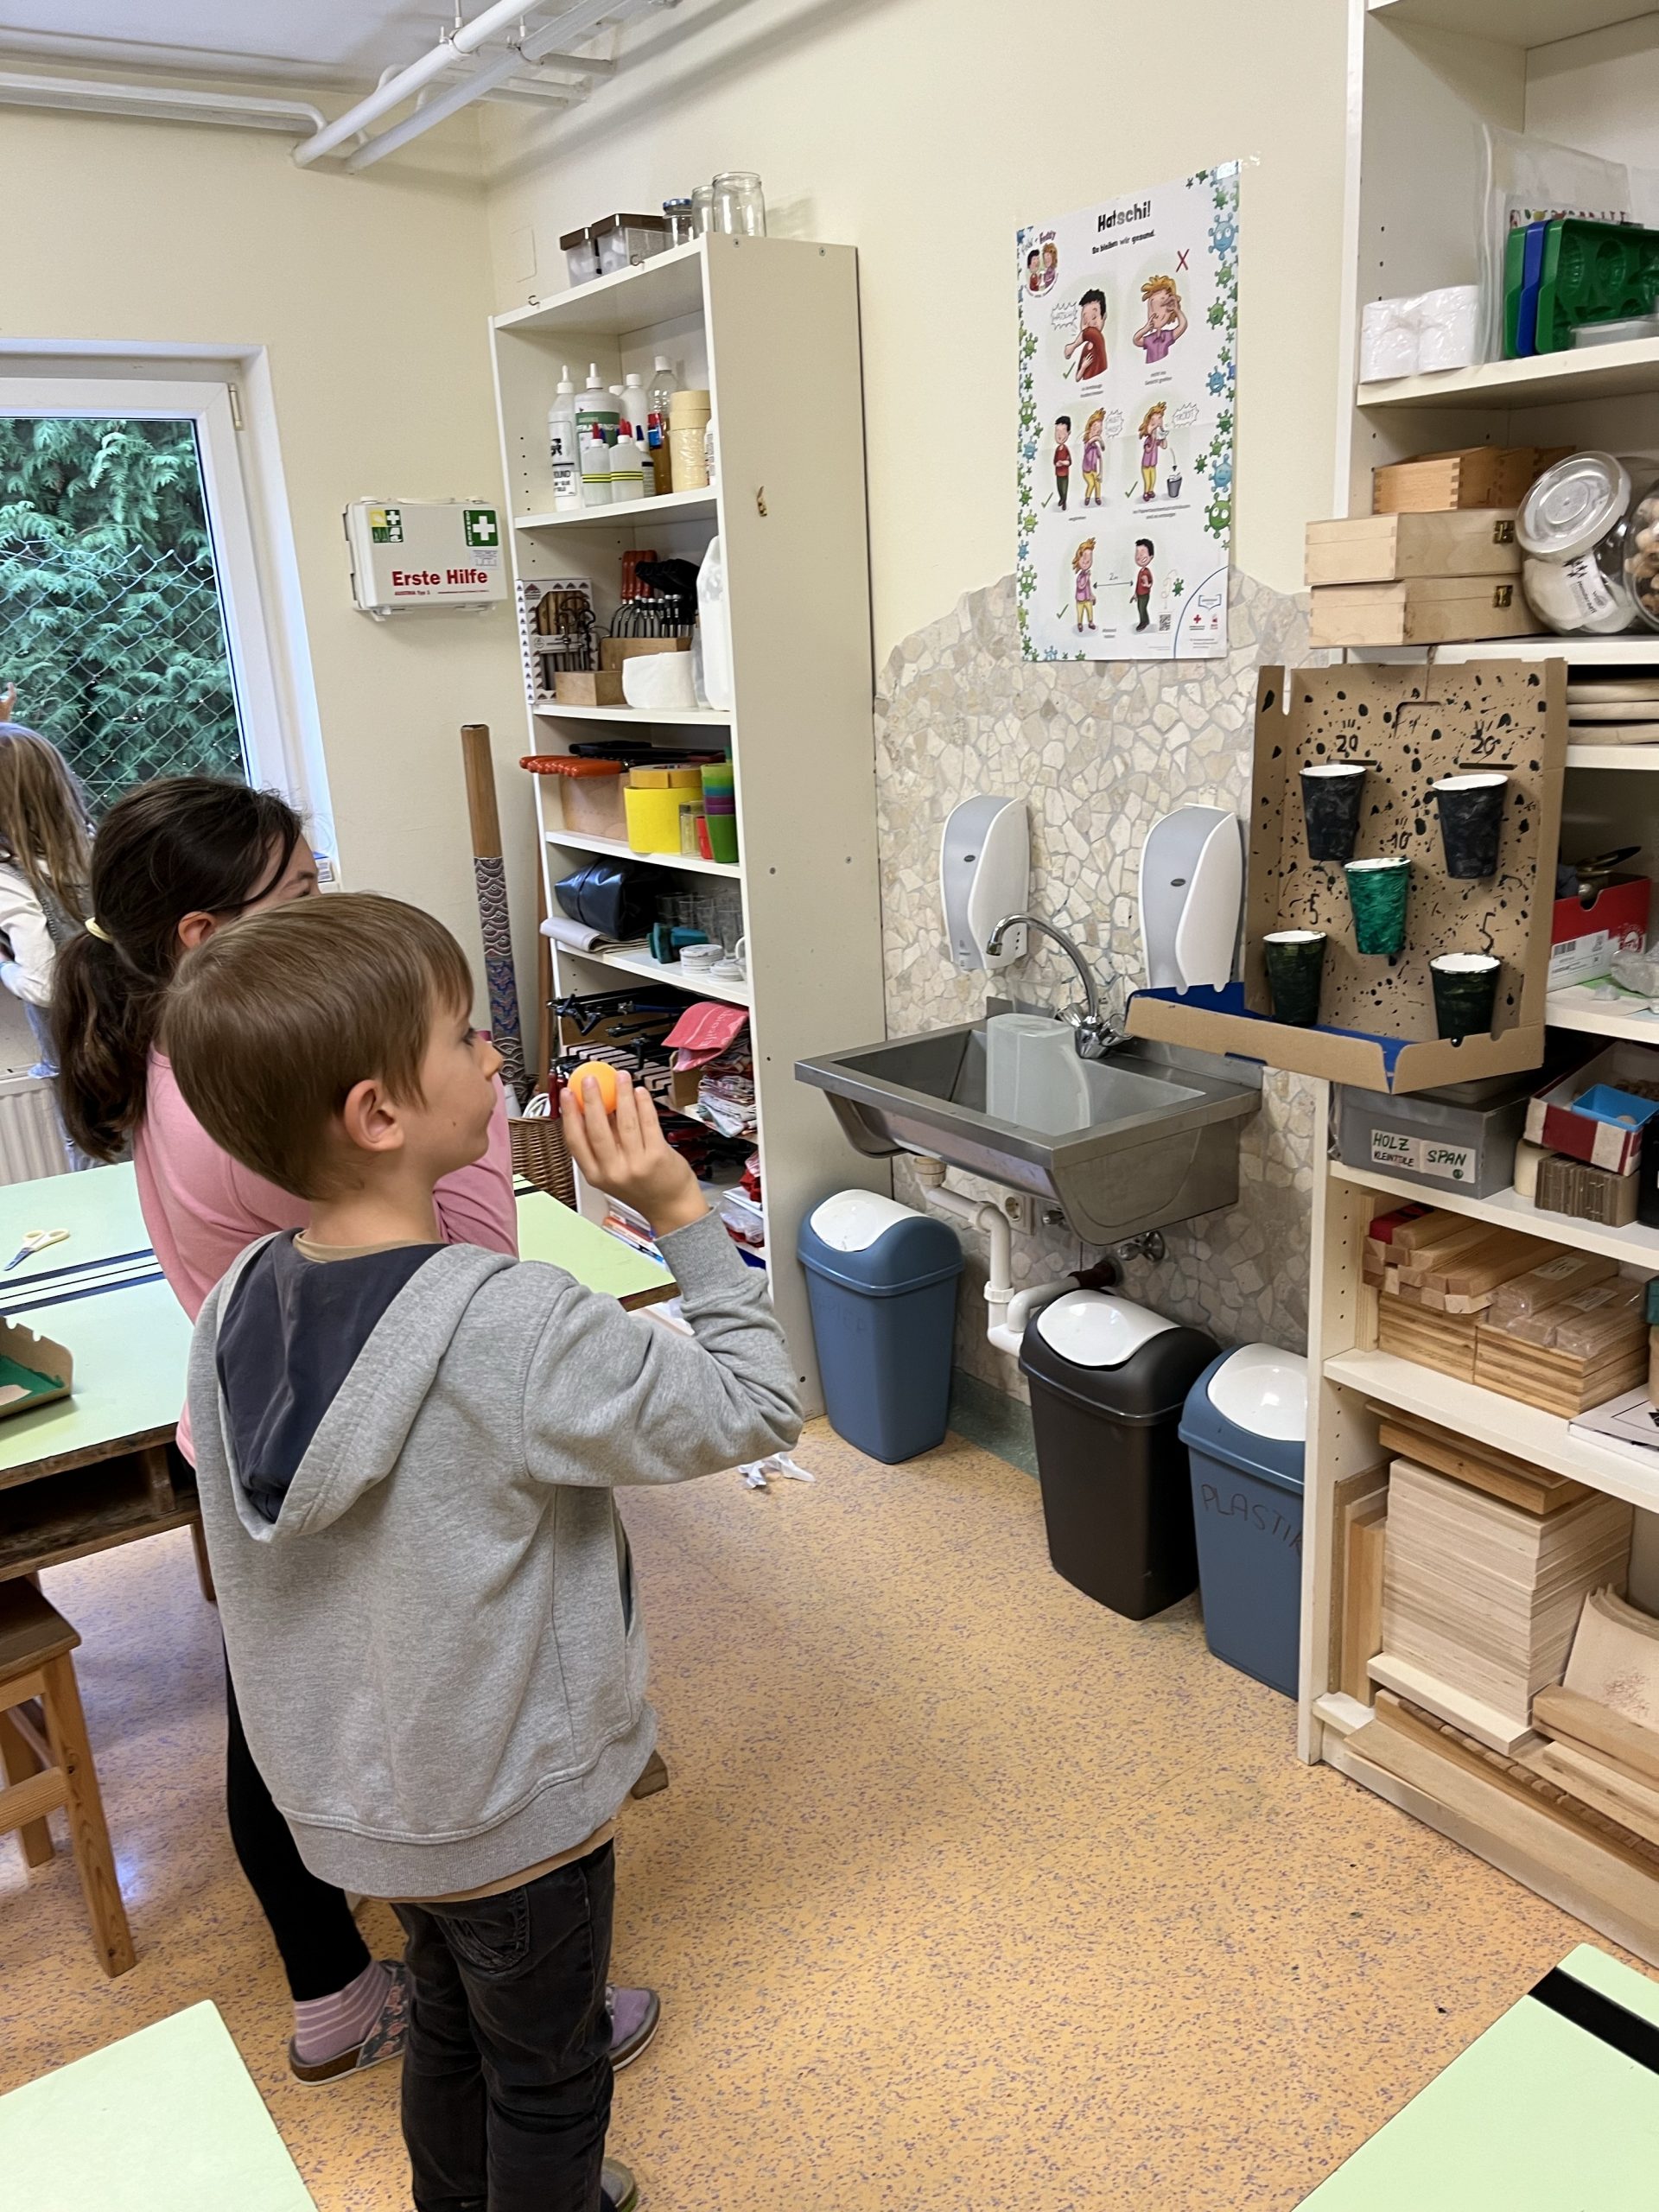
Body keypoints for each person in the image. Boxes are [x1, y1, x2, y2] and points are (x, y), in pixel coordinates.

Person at [164, 893, 802, 2212]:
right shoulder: (512, 1323)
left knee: (450, 2029)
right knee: (550, 2079)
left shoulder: (236, 1300)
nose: (495, 1051)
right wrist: (678, 1208)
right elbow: (758, 1405)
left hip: (371, 1804)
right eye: (462, 1035)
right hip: (513, 1814)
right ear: (378, 1115)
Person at [49, 779, 660, 2085]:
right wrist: (477, 1124)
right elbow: (474, 1264)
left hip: (263, 1416)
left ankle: (358, 1990)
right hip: (380, 1436)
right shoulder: (261, 1107)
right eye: (303, 893)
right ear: (207, 937)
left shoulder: (181, 1052)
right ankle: (509, 1999)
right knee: (437, 1708)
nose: (330, 899)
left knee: (288, 1703)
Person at [0, 721, 95, 1167]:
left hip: (78, 1056)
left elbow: (45, 986)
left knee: (95, 1154)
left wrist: (4, 966)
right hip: (135, 1037)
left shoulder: (10, 879)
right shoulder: (92, 848)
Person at [1133, 274, 1188, 364]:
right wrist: (1146, 329)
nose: (1155, 315)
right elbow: (1136, 340)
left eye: (1161, 307)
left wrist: (1177, 310)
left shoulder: (1167, 336)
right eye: (1151, 309)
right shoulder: (1150, 339)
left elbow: (1182, 325)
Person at [1063, 289, 1108, 382]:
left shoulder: (1099, 340)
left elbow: (1090, 333)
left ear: (1104, 317)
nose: (1089, 324)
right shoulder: (1085, 348)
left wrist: (1073, 346)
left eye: (1094, 318)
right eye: (1085, 320)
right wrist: (1083, 367)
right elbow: (1077, 378)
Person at [1136, 402, 1168, 502]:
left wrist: (1163, 436)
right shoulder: (1149, 439)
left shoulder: (1157, 438)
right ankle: (1146, 492)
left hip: (1153, 464)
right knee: (1147, 479)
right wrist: (1153, 438)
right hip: (1146, 465)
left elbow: (1164, 446)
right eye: (1153, 421)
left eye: (1159, 419)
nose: (1157, 422)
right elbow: (1148, 449)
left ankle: (1151, 491)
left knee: (1153, 478)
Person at [1080, 408, 1105, 505]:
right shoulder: (1088, 444)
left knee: (1097, 483)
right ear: (1090, 428)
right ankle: (1087, 498)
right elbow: (1091, 441)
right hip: (1086, 471)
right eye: (1095, 428)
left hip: (1094, 470)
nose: (1098, 431)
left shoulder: (1096, 447)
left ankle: (1098, 498)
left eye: (1099, 429)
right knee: (1091, 484)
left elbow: (1100, 459)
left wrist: (1101, 473)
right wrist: (1098, 439)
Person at [1072, 537, 1097, 632]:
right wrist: (1087, 577)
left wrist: (1092, 596)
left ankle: (1090, 623)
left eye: (1089, 561)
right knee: (1080, 613)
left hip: (1087, 598)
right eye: (1083, 561)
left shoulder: (1086, 575)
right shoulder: (1080, 576)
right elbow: (1081, 586)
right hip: (1080, 599)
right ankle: (1080, 624)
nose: (1086, 563)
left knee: (1090, 611)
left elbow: (1088, 588)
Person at [1133, 536, 1154, 631]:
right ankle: (1146, 620)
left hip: (1145, 594)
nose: (1139, 556)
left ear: (1151, 556)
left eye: (1143, 552)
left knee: (1142, 608)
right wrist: (1135, 594)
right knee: (1140, 608)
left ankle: (1143, 622)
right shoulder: (1141, 572)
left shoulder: (1146, 571)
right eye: (1137, 552)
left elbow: (1150, 582)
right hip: (1140, 594)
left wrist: (1147, 585)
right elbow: (1138, 584)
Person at [1052, 415, 1072, 512]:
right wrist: (1057, 464)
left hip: (1064, 473)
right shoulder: (1057, 449)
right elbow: (1054, 461)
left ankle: (1064, 502)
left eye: (1063, 431)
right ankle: (1061, 499)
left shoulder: (1065, 449)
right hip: (1058, 473)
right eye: (1057, 431)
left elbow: (1069, 461)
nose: (1059, 435)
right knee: (1059, 488)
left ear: (1068, 433)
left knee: (1064, 489)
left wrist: (1063, 463)